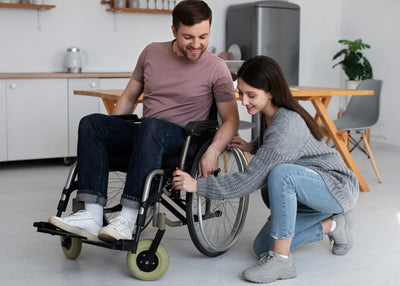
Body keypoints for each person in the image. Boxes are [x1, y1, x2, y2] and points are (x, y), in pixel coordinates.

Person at [49, 0, 239, 242]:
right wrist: (111, 135)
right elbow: (129, 96)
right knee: (92, 123)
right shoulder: (151, 52)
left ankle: (128, 217)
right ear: (173, 31)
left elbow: (231, 119)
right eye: (188, 37)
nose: (196, 44)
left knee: (151, 127)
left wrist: (213, 151)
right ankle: (92, 215)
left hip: (183, 140)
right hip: (147, 135)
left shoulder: (216, 68)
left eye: (203, 36)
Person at [172, 55, 359, 284]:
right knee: (262, 247)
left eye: (251, 95)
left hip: (336, 186)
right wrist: (252, 146)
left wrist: (198, 186)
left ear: (270, 92)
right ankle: (335, 225)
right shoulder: (272, 115)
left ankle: (282, 260)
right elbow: (279, 146)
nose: (243, 101)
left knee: (281, 174)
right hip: (311, 190)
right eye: (241, 93)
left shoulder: (287, 124)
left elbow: (249, 181)